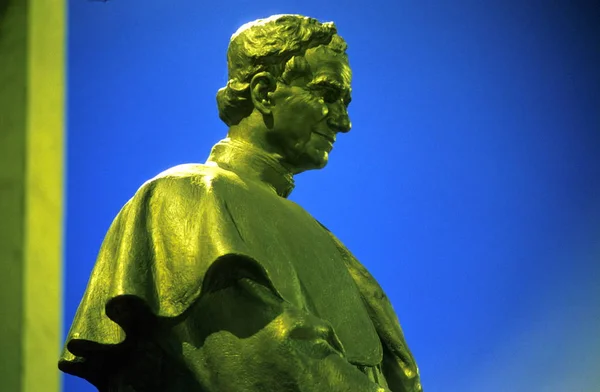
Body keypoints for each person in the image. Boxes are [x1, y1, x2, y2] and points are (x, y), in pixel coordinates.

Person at [59, 14, 422, 392]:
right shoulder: (187, 193)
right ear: (265, 92)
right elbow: (266, 356)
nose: (343, 122)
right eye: (327, 94)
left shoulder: (326, 239)